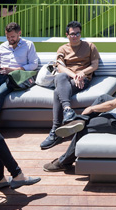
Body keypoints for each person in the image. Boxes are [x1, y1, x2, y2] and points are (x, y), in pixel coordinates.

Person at [40, 21, 101, 150]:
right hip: (69, 78)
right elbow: (60, 67)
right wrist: (74, 75)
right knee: (60, 76)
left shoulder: (90, 46)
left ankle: (55, 131)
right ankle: (68, 110)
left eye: (78, 33)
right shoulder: (63, 49)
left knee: (57, 92)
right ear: (67, 35)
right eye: (72, 34)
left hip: (83, 79)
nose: (75, 36)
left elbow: (94, 65)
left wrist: (81, 74)